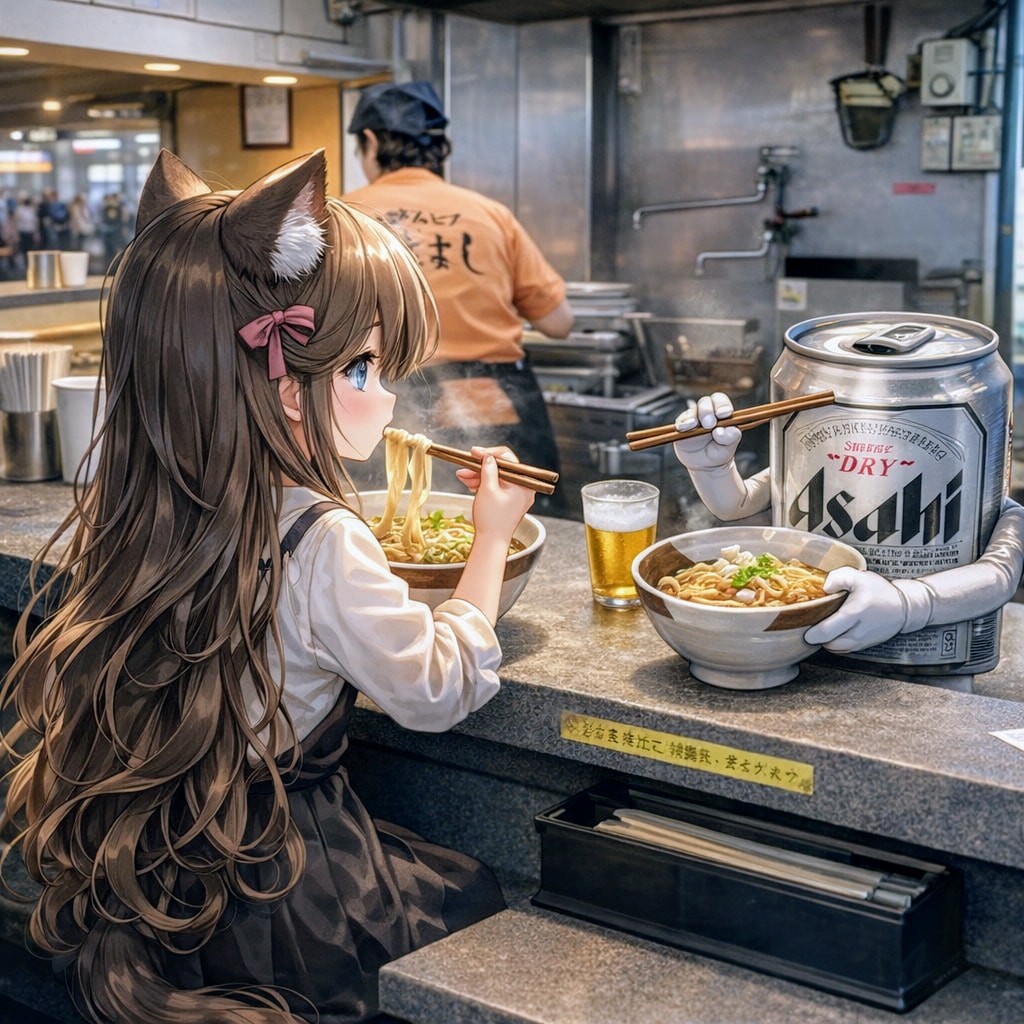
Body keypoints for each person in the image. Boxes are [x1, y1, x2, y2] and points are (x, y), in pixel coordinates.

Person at [0, 149, 535, 1024]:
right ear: (287, 386)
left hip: (159, 884)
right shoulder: (324, 540)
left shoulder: (135, 511)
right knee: (472, 897)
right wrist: (492, 540)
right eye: (364, 369)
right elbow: (436, 689)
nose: (386, 397)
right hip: (283, 892)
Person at [342, 80, 574, 517]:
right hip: (490, 398)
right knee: (527, 526)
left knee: (381, 524)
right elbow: (559, 323)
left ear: (370, 141)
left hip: (383, 400)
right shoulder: (490, 214)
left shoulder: (342, 217)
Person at [671, 392, 1024, 653]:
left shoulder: (980, 490)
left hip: (930, 677)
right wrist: (712, 469)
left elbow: (1001, 572)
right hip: (802, 656)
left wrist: (909, 603)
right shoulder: (808, 468)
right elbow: (741, 506)